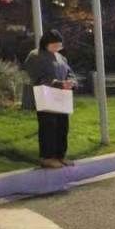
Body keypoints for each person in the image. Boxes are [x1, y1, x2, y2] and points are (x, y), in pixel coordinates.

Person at [22, 30, 77, 169]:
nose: (57, 48)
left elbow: (69, 72)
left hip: (61, 97)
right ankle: (47, 157)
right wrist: (57, 83)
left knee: (62, 126)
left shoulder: (61, 57)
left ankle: (60, 155)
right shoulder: (35, 56)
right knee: (48, 126)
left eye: (59, 45)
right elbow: (37, 77)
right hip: (45, 96)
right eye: (54, 45)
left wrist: (71, 82)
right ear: (46, 43)